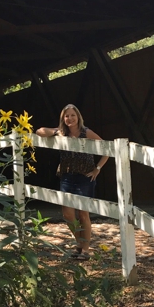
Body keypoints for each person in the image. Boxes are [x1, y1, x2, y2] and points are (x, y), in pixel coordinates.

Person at [36, 104, 108, 260]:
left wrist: (98, 168)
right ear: (63, 118)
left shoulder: (85, 132)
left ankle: (85, 250)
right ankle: (80, 244)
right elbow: (39, 131)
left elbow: (106, 148)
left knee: (83, 214)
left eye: (72, 115)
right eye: (66, 116)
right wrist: (57, 131)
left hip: (85, 177)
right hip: (67, 176)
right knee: (68, 213)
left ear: (78, 117)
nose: (70, 118)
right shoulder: (62, 133)